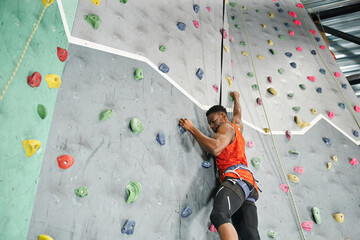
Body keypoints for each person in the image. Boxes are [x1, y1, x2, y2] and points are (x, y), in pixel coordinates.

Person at [179, 91, 260, 240]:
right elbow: (238, 113)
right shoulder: (237, 127)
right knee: (250, 235)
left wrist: (191, 128)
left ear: (223, 116)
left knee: (219, 215)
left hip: (236, 179)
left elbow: (216, 148)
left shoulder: (226, 128)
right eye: (209, 123)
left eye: (213, 121)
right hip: (249, 186)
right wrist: (236, 98)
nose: (211, 126)